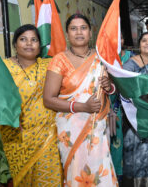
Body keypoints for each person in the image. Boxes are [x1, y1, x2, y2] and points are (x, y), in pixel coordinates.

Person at [0, 24, 63, 186]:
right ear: (15, 45)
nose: (29, 43)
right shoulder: (1, 68)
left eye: (34, 40)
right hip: (16, 138)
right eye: (23, 39)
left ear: (40, 46)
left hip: (47, 137)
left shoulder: (50, 66)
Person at [43, 14, 118, 187]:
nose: (79, 32)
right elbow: (48, 99)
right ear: (67, 34)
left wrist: (109, 87)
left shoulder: (101, 58)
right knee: (77, 171)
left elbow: (112, 89)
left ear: (91, 33)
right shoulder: (59, 60)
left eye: (83, 28)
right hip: (71, 129)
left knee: (101, 170)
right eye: (73, 28)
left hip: (97, 126)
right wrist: (83, 107)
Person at [121, 32, 148, 186]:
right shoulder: (131, 65)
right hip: (135, 118)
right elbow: (124, 87)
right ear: (139, 44)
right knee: (138, 157)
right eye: (144, 41)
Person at [110, 30, 133, 182]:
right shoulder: (104, 58)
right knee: (115, 138)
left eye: (121, 37)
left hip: (131, 102)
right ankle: (115, 172)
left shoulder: (131, 57)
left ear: (124, 40)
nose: (118, 41)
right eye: (114, 38)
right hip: (113, 103)